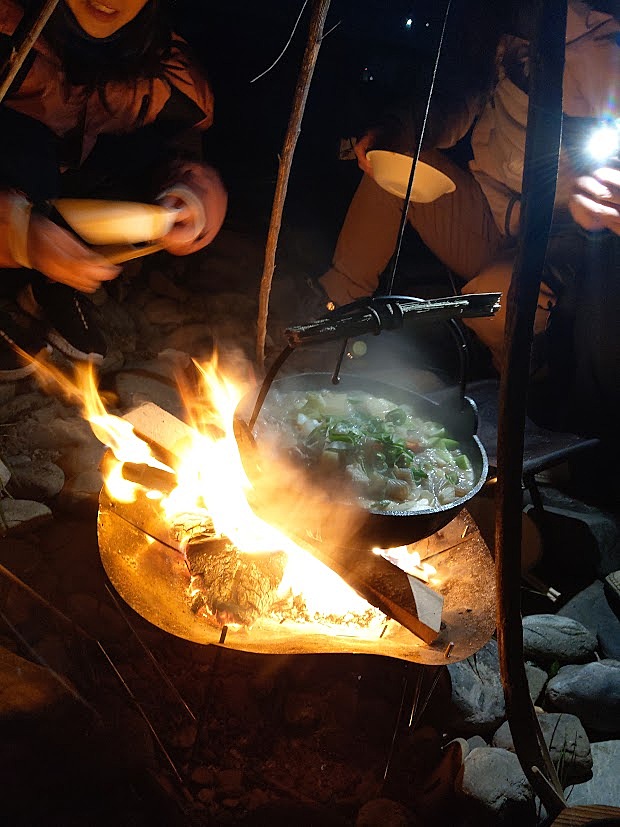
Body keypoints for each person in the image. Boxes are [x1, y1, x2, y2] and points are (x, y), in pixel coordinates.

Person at [311, 0, 620, 380]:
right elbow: (455, 103)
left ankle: (520, 395)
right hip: (491, 219)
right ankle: (333, 316)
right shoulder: (501, 31)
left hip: (559, 244)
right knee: (394, 167)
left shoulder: (599, 38)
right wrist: (398, 129)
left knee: (499, 302)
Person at [0, 0, 227, 381]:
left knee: (138, 160)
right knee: (26, 149)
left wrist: (192, 194)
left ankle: (51, 285)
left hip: (60, 196)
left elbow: (180, 146)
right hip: (16, 196)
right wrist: (17, 232)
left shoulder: (159, 57)